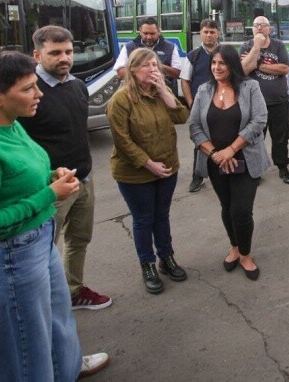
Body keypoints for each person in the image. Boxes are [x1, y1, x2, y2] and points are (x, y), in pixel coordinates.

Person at [0, 50, 109, 380]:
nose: (38, 94)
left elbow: (23, 173)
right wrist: (49, 195)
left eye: (36, 85)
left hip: (39, 244)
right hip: (11, 260)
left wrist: (51, 175)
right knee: (28, 351)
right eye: (27, 89)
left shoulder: (12, 124)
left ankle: (68, 368)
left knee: (58, 320)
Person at [19, 25, 112, 311]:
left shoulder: (77, 85)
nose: (64, 58)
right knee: (42, 250)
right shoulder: (30, 92)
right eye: (55, 53)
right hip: (51, 188)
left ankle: (72, 292)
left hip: (83, 179)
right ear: (37, 54)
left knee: (79, 240)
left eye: (69, 52)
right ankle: (43, 306)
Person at [107, 47, 191, 295]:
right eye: (146, 65)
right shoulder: (121, 100)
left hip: (167, 168)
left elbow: (182, 117)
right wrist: (148, 163)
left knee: (161, 215)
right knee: (144, 219)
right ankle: (148, 264)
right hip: (135, 173)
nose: (153, 69)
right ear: (132, 70)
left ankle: (167, 258)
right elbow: (123, 141)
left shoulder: (159, 94)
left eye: (156, 65)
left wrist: (166, 92)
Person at [189, 45, 270, 281]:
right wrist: (216, 153)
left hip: (245, 159)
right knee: (227, 208)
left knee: (241, 210)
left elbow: (259, 120)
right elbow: (194, 126)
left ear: (232, 64)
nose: (216, 67)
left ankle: (245, 254)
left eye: (221, 63)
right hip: (216, 162)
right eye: (213, 63)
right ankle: (234, 246)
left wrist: (232, 150)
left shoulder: (250, 87)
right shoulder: (204, 91)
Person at [241, 16, 289, 184]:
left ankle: (283, 168)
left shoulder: (278, 46)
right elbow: (243, 70)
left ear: (269, 29)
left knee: (280, 137)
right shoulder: (246, 46)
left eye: (263, 26)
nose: (259, 28)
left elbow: (284, 68)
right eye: (256, 25)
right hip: (254, 103)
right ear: (252, 29)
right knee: (255, 139)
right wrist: (256, 46)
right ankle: (255, 171)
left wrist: (258, 65)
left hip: (278, 101)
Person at [181, 19, 221, 193]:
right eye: (205, 32)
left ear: (218, 33)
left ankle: (224, 173)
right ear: (200, 34)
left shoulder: (225, 53)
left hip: (222, 105)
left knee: (224, 139)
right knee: (200, 142)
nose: (209, 35)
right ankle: (197, 177)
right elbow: (185, 80)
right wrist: (191, 102)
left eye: (212, 32)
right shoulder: (193, 56)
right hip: (201, 108)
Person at [114, 17, 183, 92]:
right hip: (137, 94)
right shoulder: (129, 47)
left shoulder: (171, 47)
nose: (149, 37)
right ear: (140, 32)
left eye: (152, 34)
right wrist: (141, 74)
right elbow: (120, 72)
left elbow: (177, 73)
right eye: (145, 33)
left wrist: (157, 65)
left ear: (159, 32)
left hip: (165, 94)